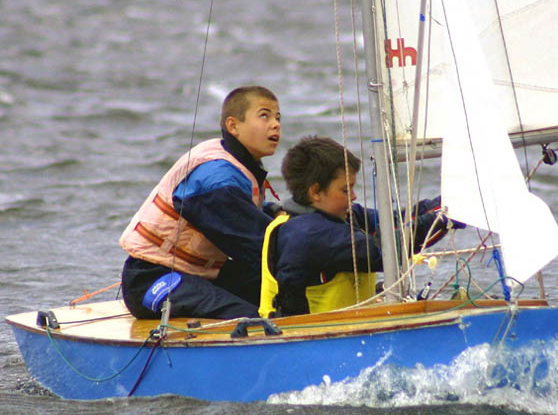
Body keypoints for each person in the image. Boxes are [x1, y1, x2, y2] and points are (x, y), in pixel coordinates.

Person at [119, 85, 282, 320]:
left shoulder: (235, 162)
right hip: (153, 279)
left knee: (287, 290)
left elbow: (243, 215)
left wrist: (278, 214)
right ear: (233, 126)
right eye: (264, 116)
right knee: (250, 317)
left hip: (202, 274)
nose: (275, 124)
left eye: (278, 117)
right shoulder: (216, 180)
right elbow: (253, 241)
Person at [259, 135, 460, 318]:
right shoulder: (308, 235)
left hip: (345, 328)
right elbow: (383, 251)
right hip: (305, 337)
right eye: (346, 190)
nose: (354, 196)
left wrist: (447, 203)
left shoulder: (342, 214)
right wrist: (443, 220)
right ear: (315, 192)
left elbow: (396, 221)